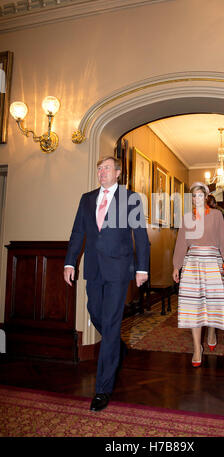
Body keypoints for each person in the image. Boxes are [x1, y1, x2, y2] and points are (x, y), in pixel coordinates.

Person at [64, 156, 150, 412]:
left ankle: (102, 389)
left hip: (119, 269)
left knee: (111, 324)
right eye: (99, 168)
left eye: (107, 168)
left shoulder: (131, 198)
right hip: (93, 268)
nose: (102, 172)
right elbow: (78, 231)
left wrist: (142, 267)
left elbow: (140, 235)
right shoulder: (87, 198)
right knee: (95, 312)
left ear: (118, 173)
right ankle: (119, 347)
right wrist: (70, 262)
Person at [172, 182, 224, 367]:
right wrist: (177, 266)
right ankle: (196, 348)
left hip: (213, 263)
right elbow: (181, 243)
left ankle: (211, 332)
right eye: (193, 196)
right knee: (193, 307)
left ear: (206, 197)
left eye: (200, 195)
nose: (196, 199)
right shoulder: (186, 218)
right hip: (192, 264)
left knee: (213, 302)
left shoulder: (217, 215)